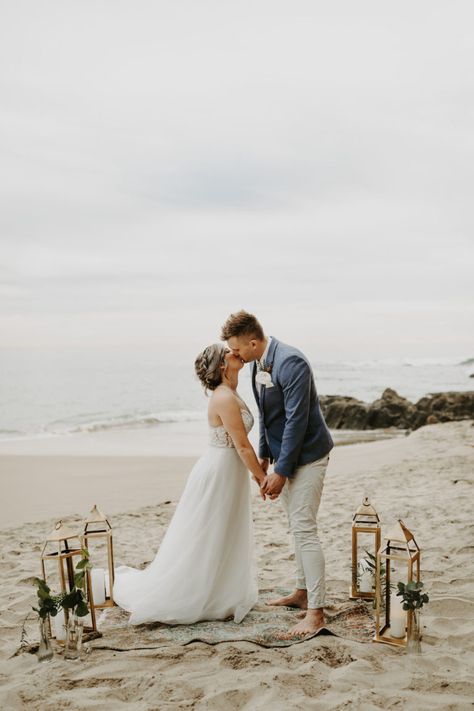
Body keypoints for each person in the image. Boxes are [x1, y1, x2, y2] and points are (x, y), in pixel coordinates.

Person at [113, 343, 266, 625]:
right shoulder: (223, 397)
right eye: (229, 352)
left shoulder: (231, 392)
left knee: (227, 529)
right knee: (208, 531)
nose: (236, 352)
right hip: (219, 472)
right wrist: (262, 477)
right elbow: (242, 446)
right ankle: (196, 591)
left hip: (230, 471)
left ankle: (223, 590)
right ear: (222, 365)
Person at [221, 310, 334, 638]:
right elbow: (267, 414)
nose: (234, 355)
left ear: (253, 342)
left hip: (310, 455)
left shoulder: (292, 362)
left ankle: (316, 611)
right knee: (296, 527)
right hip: (284, 455)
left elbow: (297, 419)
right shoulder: (257, 364)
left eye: (237, 349)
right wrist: (266, 455)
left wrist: (282, 471)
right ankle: (302, 594)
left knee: (304, 528)